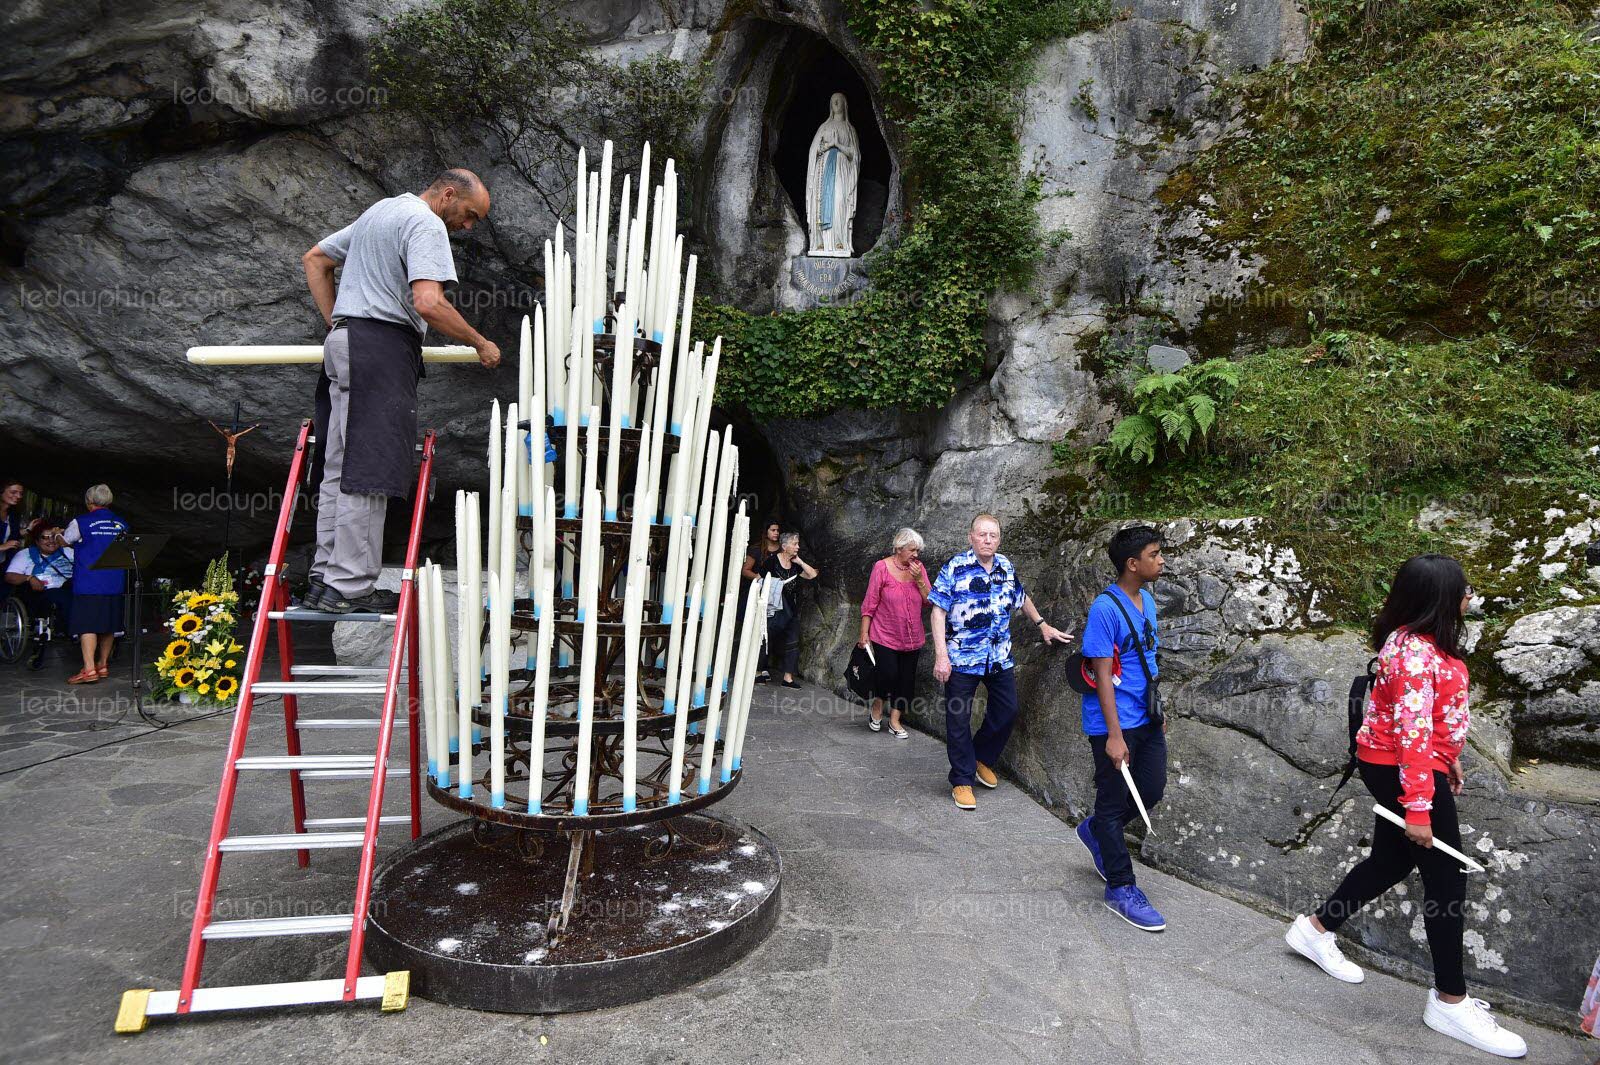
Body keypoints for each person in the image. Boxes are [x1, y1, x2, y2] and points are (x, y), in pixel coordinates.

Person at [1285, 554, 1527, 1059]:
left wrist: (1447, 757)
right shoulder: (1415, 653)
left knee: (1392, 861)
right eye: (1464, 589)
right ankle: (1449, 1002)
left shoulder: (1407, 639)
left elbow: (1410, 721)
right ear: (1441, 598)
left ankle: (1315, 930)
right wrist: (1419, 806)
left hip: (1403, 765)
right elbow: (1411, 736)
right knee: (1446, 879)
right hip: (1403, 771)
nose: (1470, 596)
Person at [300, 169, 502, 614]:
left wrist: (339, 322)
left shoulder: (382, 210)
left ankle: (325, 579)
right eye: (469, 215)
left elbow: (315, 258)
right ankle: (350, 586)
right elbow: (428, 302)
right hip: (380, 347)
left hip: (347, 342)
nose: (467, 226)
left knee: (338, 463)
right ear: (448, 194)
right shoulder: (425, 222)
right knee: (368, 467)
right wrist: (479, 342)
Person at [930, 513, 1072, 811]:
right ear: (971, 537)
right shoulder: (955, 567)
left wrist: (1042, 624)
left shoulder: (1005, 566)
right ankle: (962, 780)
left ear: (999, 539)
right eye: (982, 535)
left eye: (993, 535)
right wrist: (941, 656)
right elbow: (938, 611)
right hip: (961, 659)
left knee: (1007, 710)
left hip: (998, 657)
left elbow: (1021, 597)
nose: (987, 540)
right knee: (958, 720)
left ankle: (980, 756)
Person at [1073, 525, 1170, 932]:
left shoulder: (1146, 599)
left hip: (1146, 716)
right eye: (1154, 554)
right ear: (1133, 564)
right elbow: (1102, 672)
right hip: (1113, 723)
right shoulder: (1105, 609)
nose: (1161, 560)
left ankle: (1095, 830)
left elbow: (1146, 658)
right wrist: (1114, 736)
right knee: (1113, 807)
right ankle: (1120, 887)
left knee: (1152, 789)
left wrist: (1158, 708)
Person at [858, 527, 930, 739]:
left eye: (918, 550)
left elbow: (929, 600)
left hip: (912, 637)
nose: (916, 555)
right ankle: (878, 705)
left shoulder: (919, 568)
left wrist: (919, 580)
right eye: (912, 550)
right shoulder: (881, 567)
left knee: (906, 681)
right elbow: (870, 603)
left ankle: (895, 720)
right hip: (885, 635)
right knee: (888, 675)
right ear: (899, 548)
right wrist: (864, 633)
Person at [62, 484, 127, 685]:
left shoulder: (81, 521)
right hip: (114, 580)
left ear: (89, 502)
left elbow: (66, 541)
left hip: (89, 581)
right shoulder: (121, 523)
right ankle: (103, 664)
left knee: (87, 623)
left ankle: (89, 669)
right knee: (108, 623)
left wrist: (57, 535)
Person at [5, 520, 73, 669]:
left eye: (54, 537)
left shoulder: (68, 552)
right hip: (40, 592)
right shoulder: (25, 555)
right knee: (56, 596)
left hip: (68, 589)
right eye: (45, 537)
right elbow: (10, 576)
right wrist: (29, 578)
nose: (50, 541)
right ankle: (73, 630)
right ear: (36, 540)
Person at [759, 532, 817, 688]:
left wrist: (800, 561)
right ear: (784, 547)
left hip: (791, 609)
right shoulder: (771, 562)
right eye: (795, 543)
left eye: (798, 543)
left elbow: (812, 574)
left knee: (793, 642)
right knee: (765, 639)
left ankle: (788, 678)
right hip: (773, 609)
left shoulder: (795, 564)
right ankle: (759, 672)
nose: (798, 546)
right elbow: (759, 580)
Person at [0, 480, 25, 586]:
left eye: (20, 493)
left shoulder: (12, 515)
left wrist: (28, 529)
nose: (18, 496)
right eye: (13, 492)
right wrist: (2, 547)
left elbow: (11, 536)